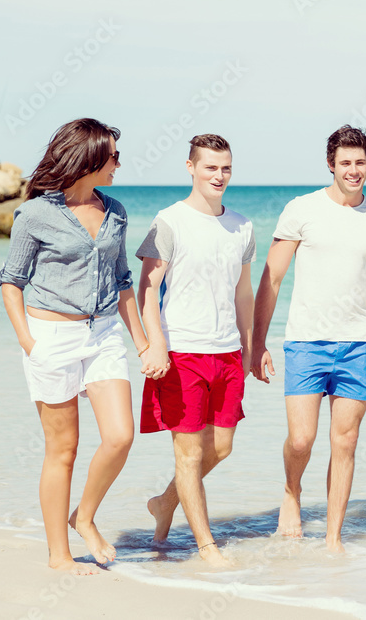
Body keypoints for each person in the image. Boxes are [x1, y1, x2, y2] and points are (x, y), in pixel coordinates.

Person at [0, 118, 156, 575]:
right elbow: (11, 282)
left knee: (121, 436)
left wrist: (142, 344)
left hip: (103, 334)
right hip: (51, 338)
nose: (118, 164)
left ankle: (83, 515)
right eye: (113, 156)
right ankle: (59, 556)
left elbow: (123, 282)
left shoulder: (117, 211)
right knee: (62, 450)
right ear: (89, 159)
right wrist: (30, 342)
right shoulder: (35, 214)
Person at [251, 125, 366, 553]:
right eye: (345, 162)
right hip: (306, 342)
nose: (353, 170)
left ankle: (333, 537)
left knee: (345, 441)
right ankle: (292, 492)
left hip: (357, 345)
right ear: (331, 165)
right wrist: (257, 342)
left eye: (360, 162)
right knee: (303, 439)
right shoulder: (301, 210)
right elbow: (271, 279)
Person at [136, 134, 255, 566]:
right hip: (182, 352)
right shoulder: (168, 221)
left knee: (220, 448)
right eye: (210, 167)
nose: (219, 175)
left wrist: (251, 345)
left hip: (226, 352)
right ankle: (206, 545)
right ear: (191, 167)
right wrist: (156, 345)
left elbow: (244, 293)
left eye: (225, 168)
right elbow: (147, 289)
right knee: (188, 453)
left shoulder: (242, 226)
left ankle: (165, 504)